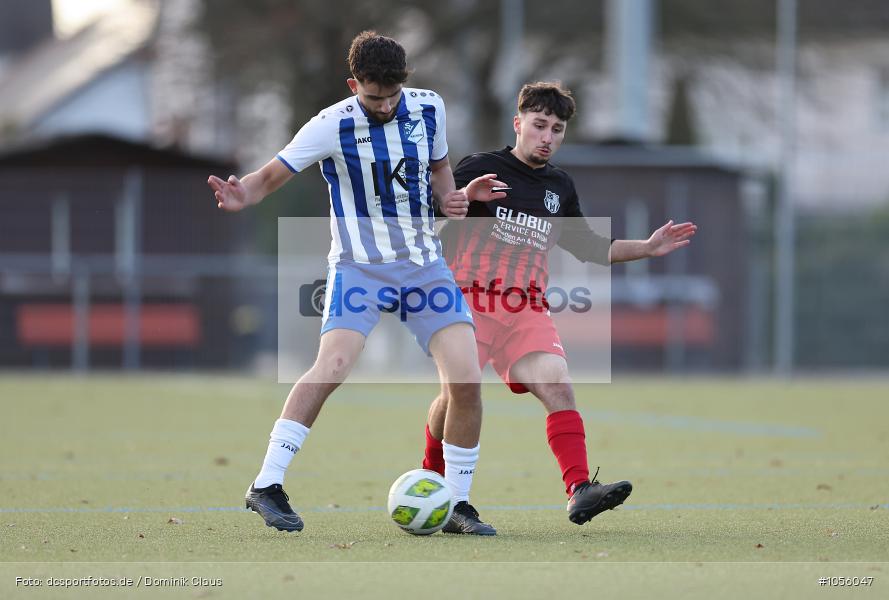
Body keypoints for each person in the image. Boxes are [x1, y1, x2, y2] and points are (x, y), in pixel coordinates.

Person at [208, 31, 505, 535]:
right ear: (353, 85)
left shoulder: (430, 108)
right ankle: (267, 484)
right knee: (333, 365)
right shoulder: (332, 123)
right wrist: (245, 195)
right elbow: (270, 176)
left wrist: (453, 199)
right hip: (359, 268)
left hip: (423, 266)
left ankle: (456, 503)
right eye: (373, 97)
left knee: (466, 381)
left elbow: (438, 172)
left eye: (392, 96)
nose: (385, 106)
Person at [424, 82, 698, 525]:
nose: (547, 136)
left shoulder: (559, 186)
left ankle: (579, 488)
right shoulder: (482, 167)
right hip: (465, 301)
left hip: (526, 308)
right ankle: (446, 492)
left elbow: (590, 246)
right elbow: (432, 226)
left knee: (558, 384)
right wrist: (458, 205)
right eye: (538, 125)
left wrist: (647, 248)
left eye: (557, 128)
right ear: (518, 125)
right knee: (460, 394)